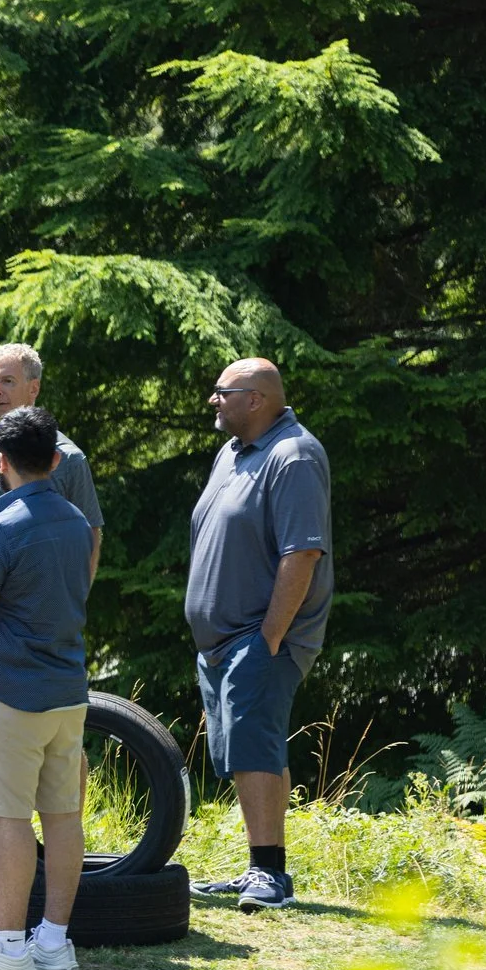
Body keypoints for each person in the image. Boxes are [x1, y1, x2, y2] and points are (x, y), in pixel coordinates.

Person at [0, 406, 95, 970]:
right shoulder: (75, 520)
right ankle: (54, 943)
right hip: (69, 691)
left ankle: (10, 945)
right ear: (58, 460)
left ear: (1, 463)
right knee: (64, 815)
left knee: (6, 819)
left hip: (10, 694)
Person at [184, 358, 332, 912]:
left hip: (260, 637)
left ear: (256, 399)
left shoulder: (293, 456)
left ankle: (270, 875)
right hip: (223, 640)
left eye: (222, 392)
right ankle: (259, 866)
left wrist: (269, 637)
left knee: (255, 745)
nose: (212, 401)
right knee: (242, 749)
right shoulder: (234, 452)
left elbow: (304, 553)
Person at [0, 344, 104, 580]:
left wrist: (73, 605)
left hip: (43, 610)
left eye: (7, 381)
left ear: (34, 388)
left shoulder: (69, 458)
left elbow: (89, 537)